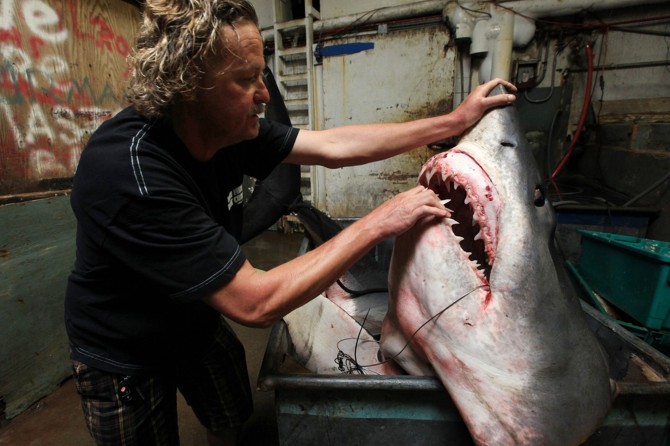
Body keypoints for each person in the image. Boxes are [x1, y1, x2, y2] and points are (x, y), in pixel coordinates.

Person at [64, 1, 517, 445]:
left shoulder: (229, 130)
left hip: (194, 317)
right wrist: (381, 221)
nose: (263, 94)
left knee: (230, 413)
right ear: (191, 89)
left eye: (261, 74)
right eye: (245, 81)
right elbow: (255, 304)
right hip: (124, 349)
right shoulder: (130, 174)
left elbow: (337, 145)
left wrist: (453, 121)